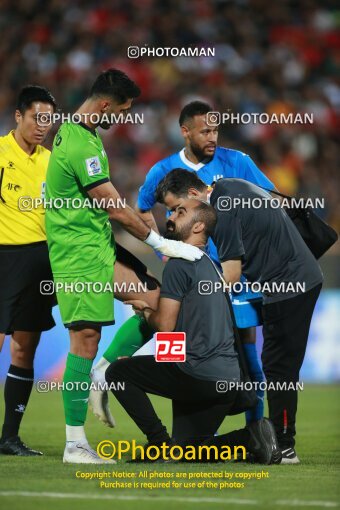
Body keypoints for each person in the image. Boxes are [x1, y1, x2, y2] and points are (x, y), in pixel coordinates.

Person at [45, 68, 202, 464]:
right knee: (84, 338)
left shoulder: (84, 133)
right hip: (79, 255)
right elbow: (112, 206)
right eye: (122, 109)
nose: (123, 117)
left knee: (158, 305)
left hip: (99, 247)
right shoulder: (80, 144)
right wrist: (161, 243)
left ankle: (110, 373)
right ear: (104, 105)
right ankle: (75, 444)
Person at [92, 101, 275, 427]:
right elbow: (143, 208)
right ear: (185, 131)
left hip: (233, 272)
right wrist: (164, 249)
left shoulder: (236, 161)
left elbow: (269, 201)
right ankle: (108, 371)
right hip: (191, 266)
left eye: (216, 129)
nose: (212, 136)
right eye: (205, 130)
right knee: (171, 327)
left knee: (245, 349)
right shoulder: (162, 171)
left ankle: (255, 426)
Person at [155, 169, 323, 464]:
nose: (175, 216)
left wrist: (196, 297)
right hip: (294, 280)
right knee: (275, 366)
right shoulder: (231, 185)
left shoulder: (221, 208)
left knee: (278, 369)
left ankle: (284, 446)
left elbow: (231, 276)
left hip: (289, 286)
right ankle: (265, 435)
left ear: (194, 195)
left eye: (177, 207)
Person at [106, 198, 281, 465]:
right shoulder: (210, 265)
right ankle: (251, 437)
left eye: (180, 212)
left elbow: (166, 326)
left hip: (198, 375)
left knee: (117, 372)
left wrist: (145, 311)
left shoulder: (179, 264)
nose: (171, 216)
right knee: (189, 453)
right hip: (224, 380)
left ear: (198, 226)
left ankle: (158, 443)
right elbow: (182, 333)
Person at [0, 85, 57, 456]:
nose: (43, 126)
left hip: (40, 262)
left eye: (49, 121)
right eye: (38, 118)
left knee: (25, 348)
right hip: (4, 257)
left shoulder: (51, 161)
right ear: (19, 116)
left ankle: (9, 437)